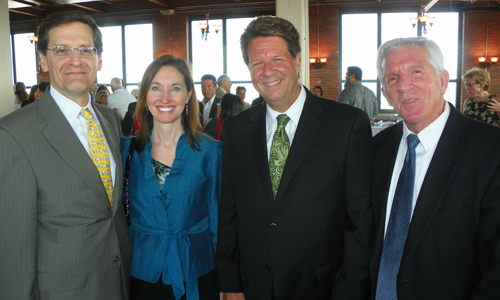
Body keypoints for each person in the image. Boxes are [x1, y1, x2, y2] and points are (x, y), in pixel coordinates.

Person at [217, 16, 373, 300]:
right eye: (256, 64)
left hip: (322, 287)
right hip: (253, 286)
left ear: (297, 60)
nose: (267, 72)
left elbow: (360, 220)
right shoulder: (235, 129)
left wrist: (351, 289)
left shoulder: (347, 124)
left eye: (277, 59)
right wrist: (230, 284)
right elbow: (229, 212)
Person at [0, 11, 130, 300]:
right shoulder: (13, 134)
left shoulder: (109, 120)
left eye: (86, 49)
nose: (75, 60)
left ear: (99, 59)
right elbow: (14, 250)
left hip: (118, 282)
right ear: (43, 61)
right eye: (61, 50)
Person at [371, 37, 500, 299]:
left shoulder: (491, 151)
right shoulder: (375, 149)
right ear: (384, 92)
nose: (404, 86)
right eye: (392, 78)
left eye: (416, 71)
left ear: (442, 81)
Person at [121, 55, 221, 300]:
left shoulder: (211, 152)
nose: (165, 98)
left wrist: (226, 283)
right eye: (156, 88)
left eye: (175, 88)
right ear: (145, 96)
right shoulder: (125, 151)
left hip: (196, 269)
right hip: (141, 271)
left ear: (188, 95)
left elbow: (219, 222)